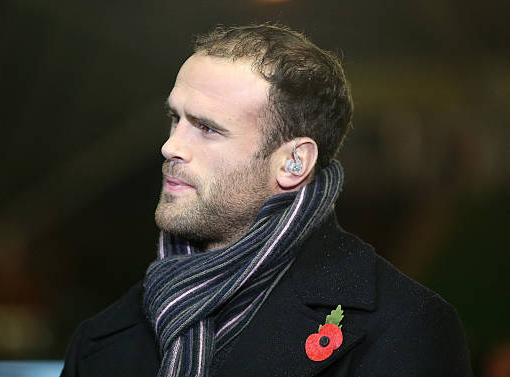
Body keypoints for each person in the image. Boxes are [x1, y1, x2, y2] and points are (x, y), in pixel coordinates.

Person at [60, 23, 473, 377]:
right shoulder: (101, 338)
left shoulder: (404, 327)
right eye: (175, 118)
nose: (171, 146)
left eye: (206, 128)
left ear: (294, 162)